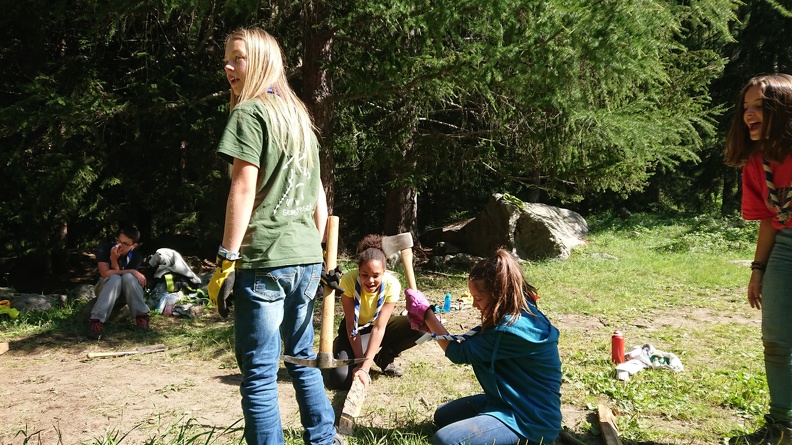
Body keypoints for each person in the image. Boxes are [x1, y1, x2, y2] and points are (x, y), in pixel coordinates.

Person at [207, 27, 340, 445]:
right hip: (306, 260)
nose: (228, 66)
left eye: (238, 58)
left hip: (265, 260)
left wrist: (227, 258)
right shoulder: (298, 118)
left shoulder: (249, 114)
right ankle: (323, 439)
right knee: (301, 358)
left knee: (260, 374)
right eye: (226, 59)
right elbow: (319, 195)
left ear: (262, 61)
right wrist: (316, 250)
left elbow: (243, 189)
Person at [405, 249, 562, 445]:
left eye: (478, 298)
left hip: (530, 418)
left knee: (446, 441)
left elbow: (458, 352)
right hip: (506, 400)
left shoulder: (512, 329)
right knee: (443, 416)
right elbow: (466, 343)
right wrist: (432, 326)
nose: (474, 305)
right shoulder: (516, 311)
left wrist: (428, 315)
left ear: (499, 295)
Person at [724, 73, 792, 445]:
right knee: (777, 340)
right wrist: (758, 270)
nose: (749, 114)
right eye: (745, 107)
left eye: (759, 106)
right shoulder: (757, 162)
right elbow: (770, 219)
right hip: (785, 247)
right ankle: (783, 428)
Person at [322, 234, 425, 390]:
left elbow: (379, 328)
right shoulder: (348, 281)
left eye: (376, 275)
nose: (370, 280)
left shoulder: (392, 284)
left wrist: (365, 367)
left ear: (384, 271)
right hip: (355, 329)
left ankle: (385, 356)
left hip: (379, 326)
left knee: (421, 324)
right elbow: (351, 324)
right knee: (341, 380)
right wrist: (360, 362)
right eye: (365, 275)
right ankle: (340, 345)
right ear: (359, 271)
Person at [87, 226, 149, 340]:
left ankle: (141, 317)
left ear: (134, 245)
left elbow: (124, 277)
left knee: (128, 277)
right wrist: (114, 259)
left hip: (127, 291)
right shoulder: (105, 249)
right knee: (115, 278)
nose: (120, 245)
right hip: (106, 288)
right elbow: (105, 273)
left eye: (125, 244)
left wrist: (129, 272)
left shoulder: (136, 255)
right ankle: (96, 321)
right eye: (119, 241)